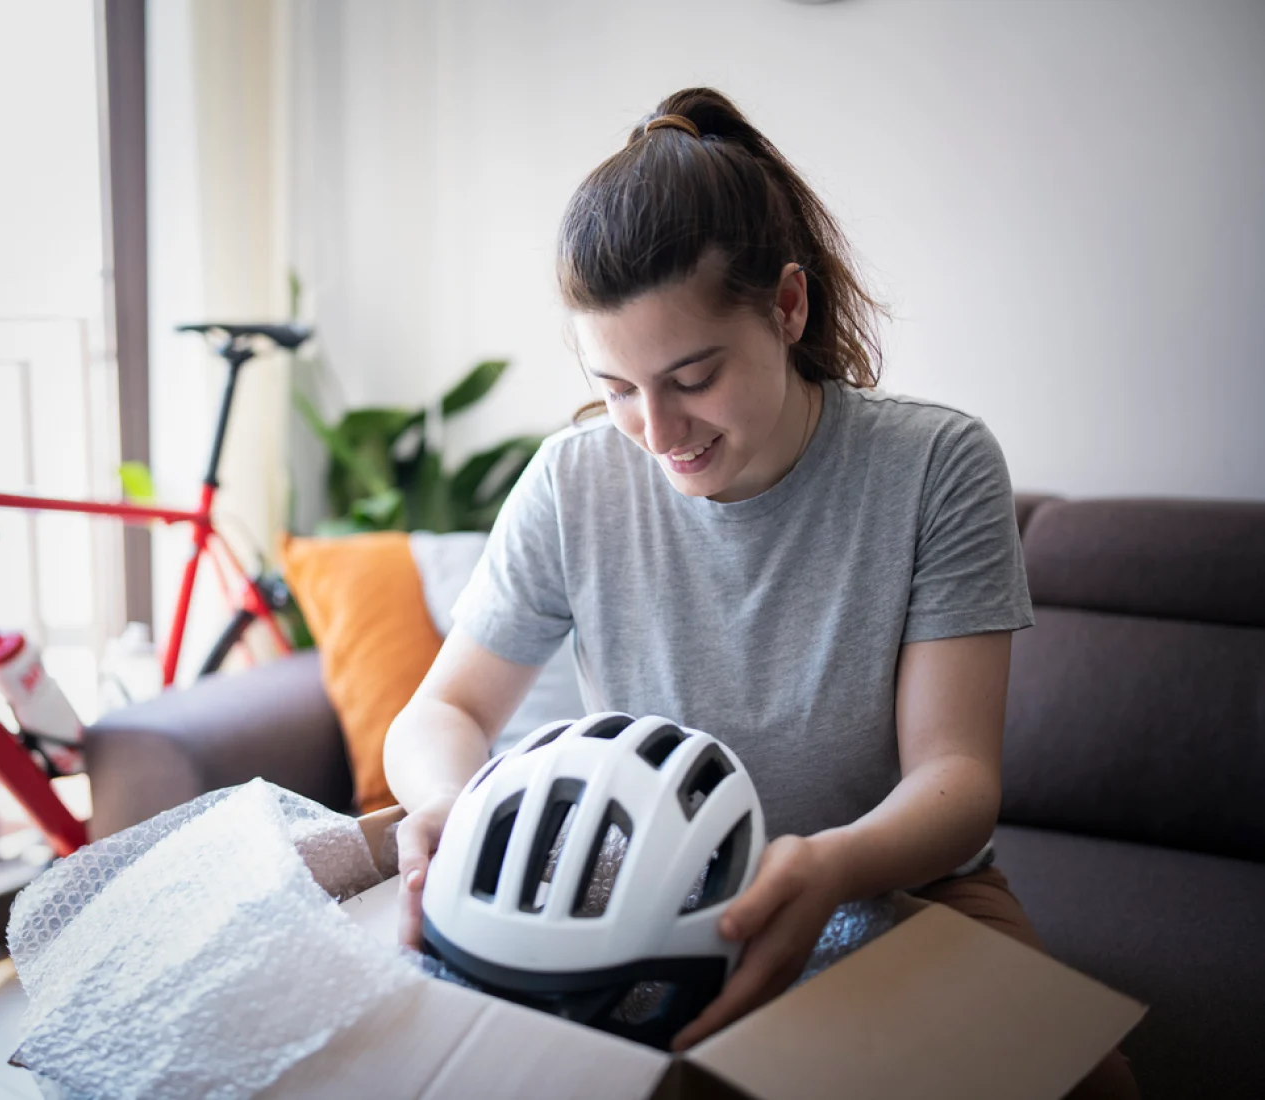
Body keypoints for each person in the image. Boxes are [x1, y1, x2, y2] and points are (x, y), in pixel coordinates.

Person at [382, 87, 1136, 1098]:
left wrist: (827, 865)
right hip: (639, 903)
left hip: (902, 883)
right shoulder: (574, 479)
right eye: (615, 386)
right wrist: (448, 807)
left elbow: (955, 778)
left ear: (787, 305)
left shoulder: (937, 465)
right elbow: (445, 708)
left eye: (693, 376)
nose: (657, 430)